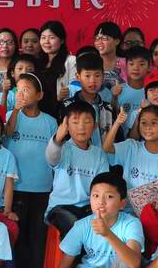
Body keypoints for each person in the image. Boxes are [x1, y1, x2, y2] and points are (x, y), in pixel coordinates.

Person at [4, 72, 57, 268]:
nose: (22, 94)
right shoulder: (11, 115)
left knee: (38, 234)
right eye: (19, 90)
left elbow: (54, 154)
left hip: (42, 187)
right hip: (16, 187)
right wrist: (15, 110)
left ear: (39, 95)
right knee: (19, 235)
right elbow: (7, 133)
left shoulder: (50, 122)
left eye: (27, 90)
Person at [105, 106, 158, 253]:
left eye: (154, 123)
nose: (148, 127)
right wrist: (117, 123)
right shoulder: (131, 147)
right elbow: (107, 147)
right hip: (130, 213)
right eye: (143, 123)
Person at [44, 100, 110, 237]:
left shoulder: (99, 155)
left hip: (87, 209)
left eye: (87, 122)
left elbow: (102, 186)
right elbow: (51, 157)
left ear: (95, 126)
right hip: (60, 208)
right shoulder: (63, 148)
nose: (81, 127)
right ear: (66, 126)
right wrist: (57, 139)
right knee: (76, 226)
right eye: (75, 122)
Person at [62, 52, 118, 147]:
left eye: (97, 75)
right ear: (78, 77)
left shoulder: (108, 108)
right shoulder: (67, 106)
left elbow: (116, 139)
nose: (92, 81)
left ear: (103, 76)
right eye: (87, 76)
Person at [37, 20, 76, 117]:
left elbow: (77, 85)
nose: (46, 41)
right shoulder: (38, 63)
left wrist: (68, 91)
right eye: (43, 37)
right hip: (41, 113)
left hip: (62, 112)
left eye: (51, 37)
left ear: (62, 40)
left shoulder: (71, 61)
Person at [115, 46, 150, 115]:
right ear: (126, 66)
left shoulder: (152, 91)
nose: (136, 68)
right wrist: (114, 98)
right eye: (131, 64)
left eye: (141, 64)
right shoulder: (118, 90)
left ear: (149, 67)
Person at [93, 21, 125, 90]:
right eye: (97, 39)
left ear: (117, 41)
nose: (99, 42)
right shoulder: (90, 63)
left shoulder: (127, 64)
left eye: (104, 38)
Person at [0, 28, 18, 99]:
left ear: (15, 46)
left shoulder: (20, 70)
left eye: (9, 42)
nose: (5, 46)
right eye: (0, 42)